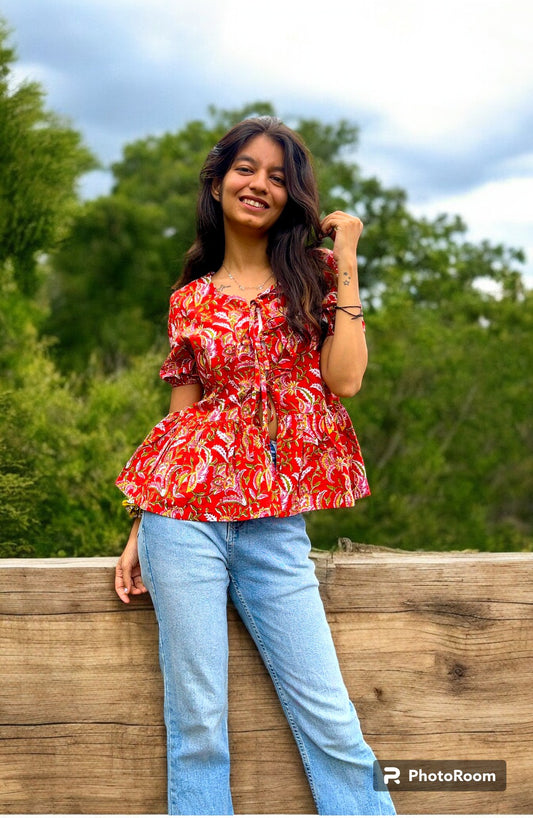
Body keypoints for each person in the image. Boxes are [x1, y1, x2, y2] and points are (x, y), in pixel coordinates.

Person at [114, 116, 395, 816]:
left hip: (274, 527)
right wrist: (137, 529)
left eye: (277, 176)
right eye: (246, 168)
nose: (259, 184)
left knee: (329, 717)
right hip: (180, 523)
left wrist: (349, 254)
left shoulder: (317, 275)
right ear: (217, 182)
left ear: (290, 195)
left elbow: (347, 380)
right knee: (198, 723)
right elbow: (181, 422)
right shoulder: (190, 299)